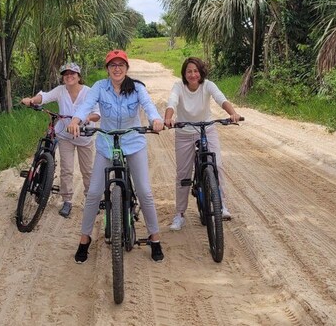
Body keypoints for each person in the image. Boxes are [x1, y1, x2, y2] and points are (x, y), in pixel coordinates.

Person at [67, 49, 166, 263]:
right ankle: (85, 239)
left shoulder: (137, 87)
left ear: (127, 68)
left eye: (121, 64)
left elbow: (149, 106)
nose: (117, 68)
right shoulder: (99, 87)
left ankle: (155, 237)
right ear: (107, 69)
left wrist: (156, 120)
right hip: (106, 144)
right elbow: (86, 106)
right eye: (113, 65)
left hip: (133, 143)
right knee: (93, 193)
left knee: (145, 192)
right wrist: (76, 120)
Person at [163, 56, 240, 231]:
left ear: (201, 72)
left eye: (196, 71)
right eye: (189, 71)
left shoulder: (208, 85)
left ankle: (221, 205)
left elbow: (221, 99)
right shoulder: (179, 87)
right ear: (184, 73)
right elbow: (172, 102)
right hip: (184, 133)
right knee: (183, 175)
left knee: (217, 166)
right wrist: (168, 118)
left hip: (207, 130)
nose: (192, 74)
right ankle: (180, 214)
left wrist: (233, 113)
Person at [21, 62, 100, 218]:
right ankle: (67, 201)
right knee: (66, 169)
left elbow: (97, 114)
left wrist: (83, 119)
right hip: (65, 136)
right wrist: (31, 100)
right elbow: (44, 97)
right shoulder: (60, 91)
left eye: (72, 74)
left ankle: (91, 201)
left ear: (79, 76)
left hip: (84, 136)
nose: (69, 76)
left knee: (88, 171)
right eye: (66, 74)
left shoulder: (89, 92)